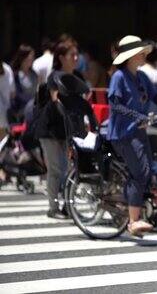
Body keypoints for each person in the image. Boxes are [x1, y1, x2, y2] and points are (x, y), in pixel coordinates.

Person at [107, 35, 157, 236]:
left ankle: (149, 206)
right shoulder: (119, 77)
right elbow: (115, 104)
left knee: (150, 170)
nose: (145, 55)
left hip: (140, 131)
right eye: (141, 53)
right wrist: (137, 115)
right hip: (123, 134)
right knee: (141, 173)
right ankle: (133, 222)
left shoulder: (142, 77)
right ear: (131, 56)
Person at [35, 41, 97, 219]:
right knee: (56, 169)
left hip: (68, 129)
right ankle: (53, 208)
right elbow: (57, 101)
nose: (76, 58)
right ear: (61, 58)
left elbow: (83, 100)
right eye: (72, 55)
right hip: (50, 129)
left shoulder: (77, 75)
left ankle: (67, 206)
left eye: (77, 54)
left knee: (70, 169)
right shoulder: (54, 76)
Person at [9, 44, 38, 124]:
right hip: (21, 115)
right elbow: (16, 95)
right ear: (23, 57)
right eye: (31, 56)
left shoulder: (34, 75)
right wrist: (31, 101)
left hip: (34, 112)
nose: (32, 59)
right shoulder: (15, 75)